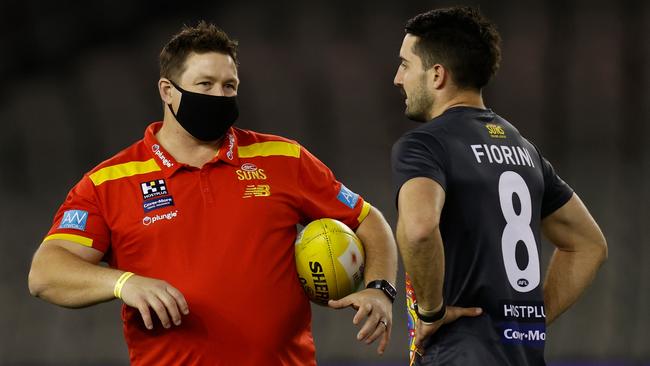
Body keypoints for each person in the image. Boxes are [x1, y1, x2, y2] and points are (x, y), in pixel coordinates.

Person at [28, 22, 398, 366]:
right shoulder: (109, 182)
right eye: (205, 85)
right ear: (167, 91)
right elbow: (45, 273)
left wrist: (380, 289)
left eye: (229, 86)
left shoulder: (284, 159)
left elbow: (368, 220)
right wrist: (122, 282)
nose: (219, 96)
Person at [391, 7, 607, 366]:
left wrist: (431, 313)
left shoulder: (424, 145)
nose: (398, 78)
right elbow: (588, 244)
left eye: (405, 65)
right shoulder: (523, 150)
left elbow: (418, 229)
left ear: (437, 75)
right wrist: (524, 322)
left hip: (457, 354)